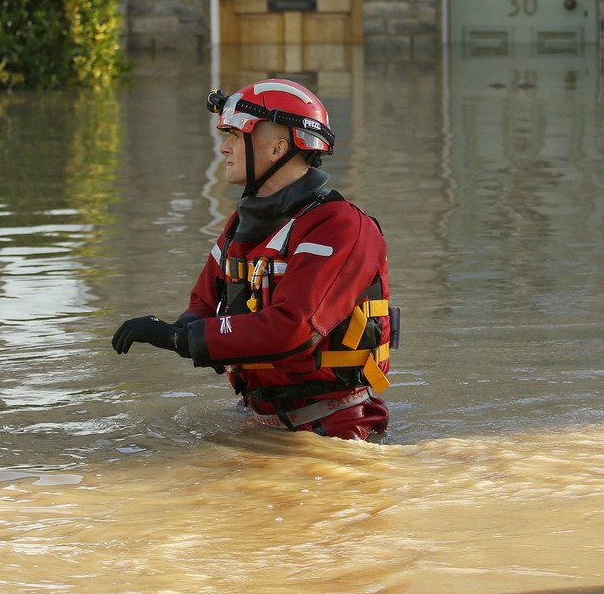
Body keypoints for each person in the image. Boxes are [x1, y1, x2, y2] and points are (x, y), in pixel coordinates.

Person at [111, 78, 394, 440]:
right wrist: (182, 327)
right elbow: (204, 300)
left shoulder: (341, 227)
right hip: (262, 421)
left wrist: (182, 341)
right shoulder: (242, 223)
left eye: (234, 137)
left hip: (337, 433)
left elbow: (292, 328)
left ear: (277, 149)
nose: (224, 149)